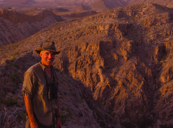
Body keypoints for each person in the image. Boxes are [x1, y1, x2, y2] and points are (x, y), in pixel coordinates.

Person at [22, 41, 62, 128]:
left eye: (52, 54)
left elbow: (55, 97)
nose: (50, 57)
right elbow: (27, 98)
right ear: (41, 54)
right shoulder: (32, 72)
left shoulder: (53, 71)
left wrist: (58, 118)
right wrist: (32, 122)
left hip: (51, 122)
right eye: (47, 53)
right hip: (37, 123)